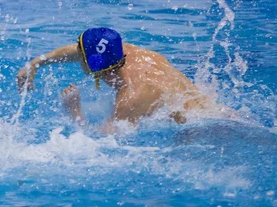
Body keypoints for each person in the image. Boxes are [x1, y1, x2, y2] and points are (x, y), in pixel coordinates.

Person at [17, 27, 235, 133]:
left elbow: (103, 141)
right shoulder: (125, 53)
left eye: (79, 48)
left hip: (207, 129)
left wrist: (74, 111)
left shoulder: (131, 96)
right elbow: (77, 52)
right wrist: (36, 63)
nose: (74, 50)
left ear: (91, 63)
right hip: (219, 112)